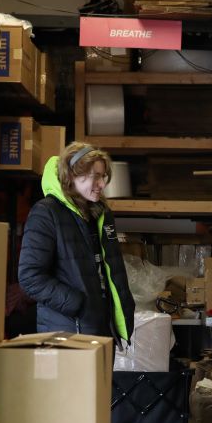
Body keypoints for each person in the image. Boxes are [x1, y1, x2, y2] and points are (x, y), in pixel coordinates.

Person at [18, 142, 135, 347]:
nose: (102, 184)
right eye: (96, 176)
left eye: (104, 176)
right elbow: (30, 277)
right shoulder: (46, 213)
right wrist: (78, 304)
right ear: (72, 175)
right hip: (68, 333)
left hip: (100, 328)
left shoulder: (99, 214)